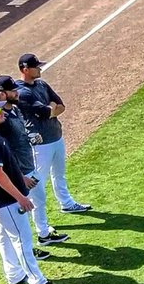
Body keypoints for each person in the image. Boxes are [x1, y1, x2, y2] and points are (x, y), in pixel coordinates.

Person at [0, 96, 60, 284]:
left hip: (3, 199)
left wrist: (20, 178)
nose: (2, 112)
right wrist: (20, 197)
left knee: (5, 236)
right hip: (6, 200)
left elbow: (4, 166)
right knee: (22, 239)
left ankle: (14, 274)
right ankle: (37, 281)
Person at [16, 54, 91, 220]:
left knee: (59, 174)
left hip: (56, 136)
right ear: (25, 69)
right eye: (36, 67)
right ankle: (37, 220)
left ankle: (67, 203)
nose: (40, 69)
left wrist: (50, 109)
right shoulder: (21, 92)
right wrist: (50, 109)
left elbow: (60, 105)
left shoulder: (41, 84)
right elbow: (45, 112)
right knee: (38, 183)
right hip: (40, 144)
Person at [0, 75, 65, 247]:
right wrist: (18, 175)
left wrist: (29, 137)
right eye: (12, 90)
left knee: (39, 199)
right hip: (17, 171)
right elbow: (4, 150)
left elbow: (19, 135)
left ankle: (43, 234)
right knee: (20, 214)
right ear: (1, 94)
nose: (16, 92)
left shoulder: (15, 110)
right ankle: (29, 248)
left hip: (28, 165)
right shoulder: (0, 117)